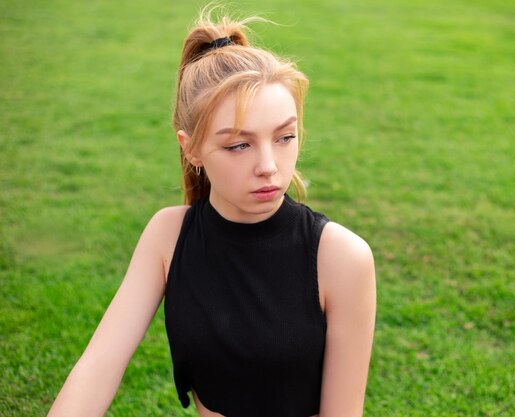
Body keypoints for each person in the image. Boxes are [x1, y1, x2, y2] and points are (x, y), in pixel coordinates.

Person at [48, 7, 376, 417]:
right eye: (239, 144)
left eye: (285, 137)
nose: (269, 166)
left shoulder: (341, 257)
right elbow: (98, 365)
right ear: (191, 148)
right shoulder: (168, 236)